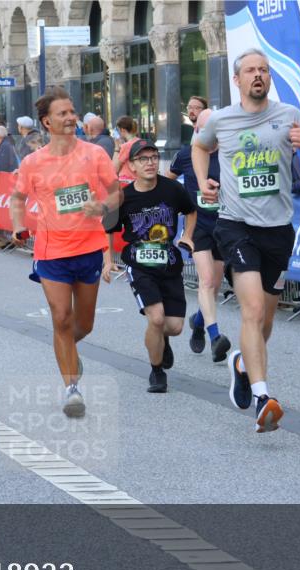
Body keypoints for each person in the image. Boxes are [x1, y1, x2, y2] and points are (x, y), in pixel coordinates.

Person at [194, 48, 300, 433]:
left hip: (279, 229)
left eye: (264, 70)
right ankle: (261, 396)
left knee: (266, 322)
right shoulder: (221, 120)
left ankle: (242, 363)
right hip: (235, 225)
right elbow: (199, 146)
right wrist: (205, 181)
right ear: (236, 80)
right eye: (251, 70)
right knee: (252, 310)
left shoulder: (289, 115)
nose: (259, 75)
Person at [11, 87, 121, 417]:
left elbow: (116, 193)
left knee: (82, 325)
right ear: (47, 122)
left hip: (89, 248)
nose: (71, 117)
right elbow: (18, 198)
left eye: (72, 111)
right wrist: (18, 226)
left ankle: (68, 350)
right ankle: (71, 388)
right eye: (63, 113)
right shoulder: (33, 162)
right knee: (61, 318)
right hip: (51, 251)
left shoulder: (94, 155)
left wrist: (101, 206)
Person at [112, 139, 194, 392]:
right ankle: (156, 371)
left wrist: (187, 236)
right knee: (156, 319)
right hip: (139, 266)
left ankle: (163, 341)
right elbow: (108, 229)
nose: (150, 163)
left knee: (175, 327)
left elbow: (191, 210)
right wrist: (106, 262)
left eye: (154, 158)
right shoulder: (124, 196)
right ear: (132, 166)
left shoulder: (172, 189)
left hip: (169, 264)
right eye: (143, 159)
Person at [177, 109, 232, 363]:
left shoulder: (228, 155)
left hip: (223, 224)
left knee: (214, 285)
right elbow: (167, 182)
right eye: (202, 129)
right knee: (207, 280)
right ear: (197, 130)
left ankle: (198, 322)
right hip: (198, 226)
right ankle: (215, 337)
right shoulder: (186, 155)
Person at [113, 116, 140, 184]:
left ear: (122, 130)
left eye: (117, 130)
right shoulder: (139, 141)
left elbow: (115, 169)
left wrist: (116, 147)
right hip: (137, 180)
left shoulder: (126, 146)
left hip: (126, 181)